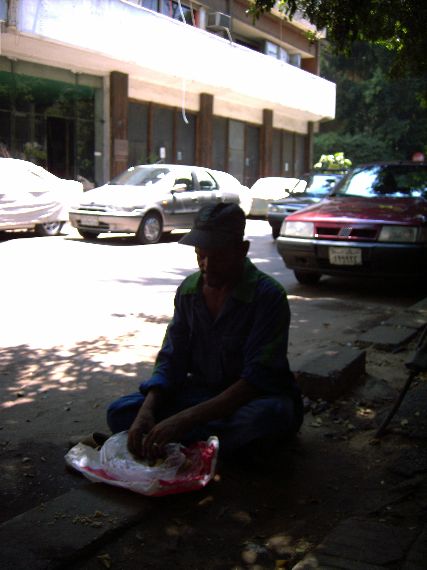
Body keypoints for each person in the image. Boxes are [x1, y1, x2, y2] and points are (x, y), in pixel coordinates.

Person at [107, 203, 303, 461]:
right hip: (202, 394)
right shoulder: (189, 291)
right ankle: (212, 444)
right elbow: (171, 359)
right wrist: (147, 411)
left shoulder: (268, 297)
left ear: (241, 250)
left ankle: (189, 439)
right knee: (121, 412)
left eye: (218, 257)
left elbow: (256, 380)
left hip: (253, 399)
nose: (206, 265)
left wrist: (184, 420)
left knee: (266, 419)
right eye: (200, 255)